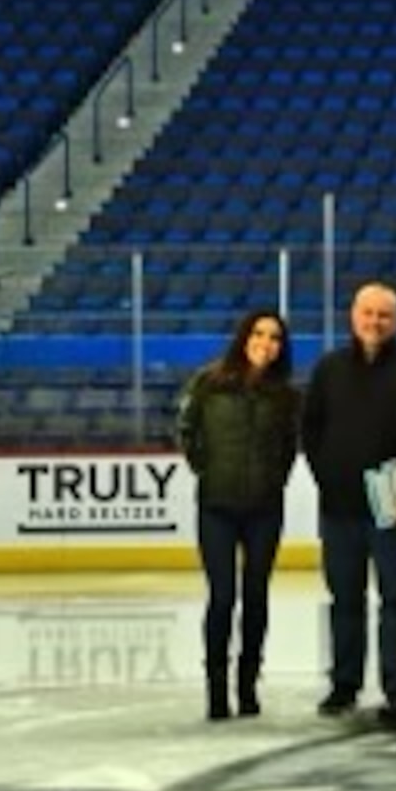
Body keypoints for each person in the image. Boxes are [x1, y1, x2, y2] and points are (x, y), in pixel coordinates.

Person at [300, 280, 396, 726]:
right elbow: (311, 430)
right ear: (353, 315)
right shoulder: (329, 369)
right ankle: (344, 685)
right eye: (368, 313)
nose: (375, 322)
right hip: (339, 508)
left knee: (395, 601)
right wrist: (326, 478)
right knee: (344, 599)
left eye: (384, 315)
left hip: (392, 512)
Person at [175, 308, 302, 722]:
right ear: (244, 337)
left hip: (265, 508)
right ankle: (216, 691)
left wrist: (274, 481)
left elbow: (288, 448)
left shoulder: (285, 396)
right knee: (223, 596)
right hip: (217, 505)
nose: (266, 343)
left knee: (256, 596)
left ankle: (247, 686)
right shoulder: (208, 384)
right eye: (259, 334)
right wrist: (207, 469)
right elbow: (187, 431)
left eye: (275, 338)